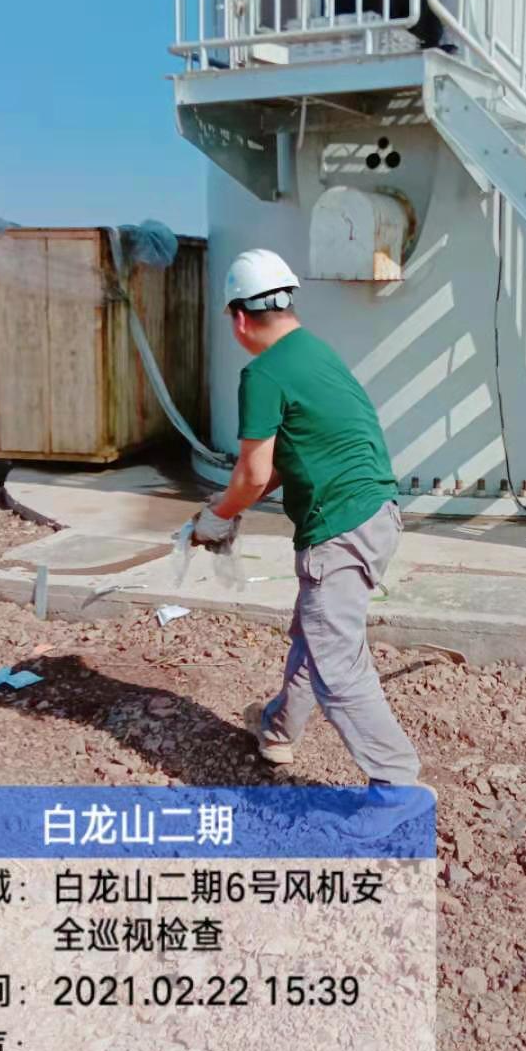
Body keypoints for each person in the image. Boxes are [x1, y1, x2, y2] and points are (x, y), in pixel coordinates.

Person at [189, 248, 420, 786]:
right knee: (312, 634)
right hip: (377, 515)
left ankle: (397, 788)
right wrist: (230, 505)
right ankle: (277, 730)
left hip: (337, 531)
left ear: (239, 318)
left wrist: (218, 515)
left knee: (337, 668)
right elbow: (284, 462)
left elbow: (252, 473)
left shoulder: (263, 374)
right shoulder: (315, 352)